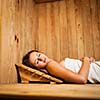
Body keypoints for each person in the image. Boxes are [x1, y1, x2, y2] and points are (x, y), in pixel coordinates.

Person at [22, 50, 100, 84]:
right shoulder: (50, 65)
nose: (41, 58)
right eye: (37, 61)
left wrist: (87, 62)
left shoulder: (53, 65)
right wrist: (86, 60)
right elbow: (82, 79)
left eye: (38, 55)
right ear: (37, 69)